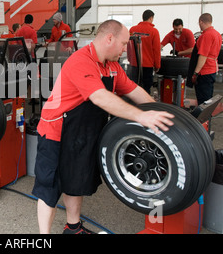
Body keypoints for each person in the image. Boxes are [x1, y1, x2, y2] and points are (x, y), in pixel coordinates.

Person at [32, 19, 174, 234]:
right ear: (109, 38)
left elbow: (135, 91)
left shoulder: (112, 66)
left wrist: (160, 113)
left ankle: (73, 228)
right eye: (124, 43)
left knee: (75, 180)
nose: (125, 49)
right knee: (49, 188)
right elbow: (100, 97)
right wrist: (141, 117)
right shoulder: (81, 61)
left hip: (82, 134)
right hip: (57, 132)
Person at [190, 13, 222, 105]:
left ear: (201, 21)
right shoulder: (217, 34)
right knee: (208, 98)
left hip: (204, 71)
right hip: (212, 69)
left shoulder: (206, 35)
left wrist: (195, 73)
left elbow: (203, 56)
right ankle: (207, 118)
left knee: (203, 100)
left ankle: (203, 119)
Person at [129, 10, 161, 94]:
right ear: (151, 18)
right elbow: (156, 50)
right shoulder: (154, 31)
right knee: (146, 89)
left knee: (134, 88)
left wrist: (130, 59)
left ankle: (134, 105)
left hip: (134, 65)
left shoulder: (132, 30)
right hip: (147, 65)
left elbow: (129, 46)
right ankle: (145, 106)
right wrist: (157, 65)